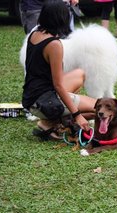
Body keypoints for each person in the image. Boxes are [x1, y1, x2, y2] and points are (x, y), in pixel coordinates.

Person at [22, 0, 97, 140]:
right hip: (44, 101)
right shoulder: (54, 45)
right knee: (99, 108)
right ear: (61, 18)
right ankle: (49, 122)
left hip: (31, 95)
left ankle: (54, 120)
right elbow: (58, 85)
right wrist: (78, 115)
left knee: (80, 73)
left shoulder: (35, 33)